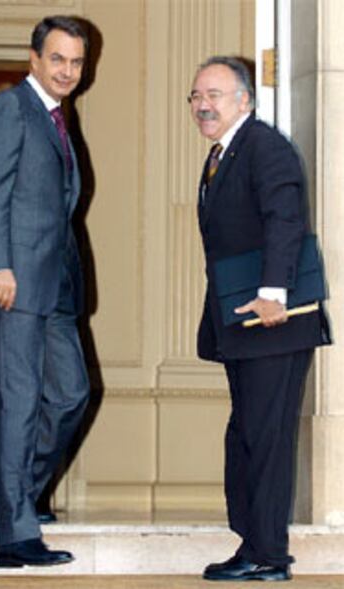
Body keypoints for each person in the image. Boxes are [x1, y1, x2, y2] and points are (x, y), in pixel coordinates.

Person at [189, 56, 331, 582]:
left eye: (215, 94)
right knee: (248, 433)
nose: (203, 104)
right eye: (196, 96)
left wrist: (273, 293)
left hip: (273, 322)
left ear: (244, 100)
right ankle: (255, 542)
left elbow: (285, 218)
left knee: (265, 437)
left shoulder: (264, 147)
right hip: (245, 324)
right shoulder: (222, 154)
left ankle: (267, 556)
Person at [0, 15, 90, 568]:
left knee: (69, 394)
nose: (67, 70)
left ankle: (0, 496)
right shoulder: (10, 109)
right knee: (19, 404)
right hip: (12, 285)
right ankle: (15, 536)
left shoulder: (59, 119)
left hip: (56, 287)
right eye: (57, 58)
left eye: (76, 62)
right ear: (34, 58)